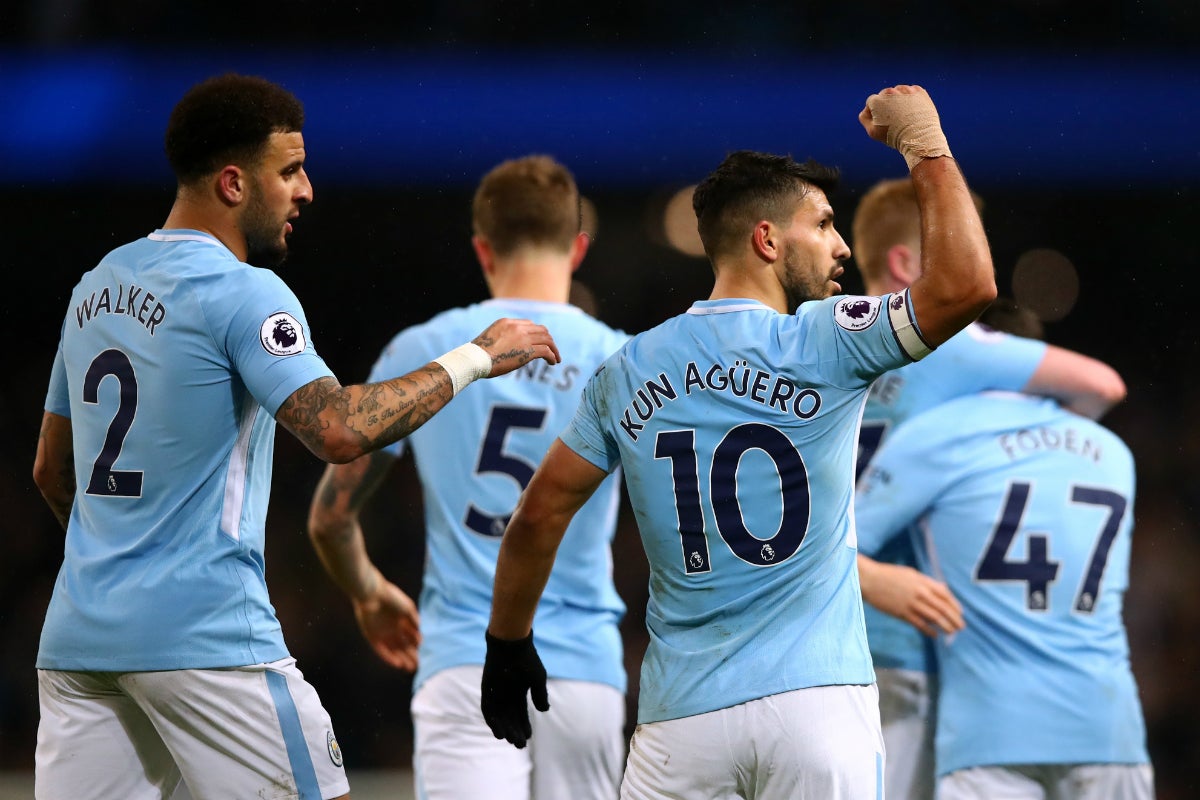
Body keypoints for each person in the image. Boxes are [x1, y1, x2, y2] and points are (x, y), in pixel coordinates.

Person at [30, 73, 559, 800]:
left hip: (79, 642)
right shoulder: (241, 291)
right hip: (206, 635)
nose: (306, 190)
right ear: (231, 183)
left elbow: (50, 471)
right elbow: (338, 429)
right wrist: (477, 356)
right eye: (289, 171)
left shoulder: (96, 287)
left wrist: (114, 571)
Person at [482, 83, 997, 798]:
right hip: (818, 708)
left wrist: (507, 643)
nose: (842, 246)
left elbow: (537, 518)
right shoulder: (829, 339)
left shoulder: (629, 368)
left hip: (681, 725)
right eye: (822, 224)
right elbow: (968, 285)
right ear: (767, 238)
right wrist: (925, 146)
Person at [306, 154, 632, 800]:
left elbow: (329, 518)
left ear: (483, 248)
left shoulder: (422, 351)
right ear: (578, 247)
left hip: (464, 659)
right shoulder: (620, 357)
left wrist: (369, 593)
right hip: (584, 667)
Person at [849, 179, 1127, 800]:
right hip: (907, 645)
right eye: (958, 249)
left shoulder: (820, 345)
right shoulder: (950, 349)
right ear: (905, 264)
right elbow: (1101, 386)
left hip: (816, 641)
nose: (974, 269)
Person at [853, 335, 1154, 798]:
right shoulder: (1114, 452)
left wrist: (875, 578)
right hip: (1111, 731)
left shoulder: (937, 434)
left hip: (989, 733)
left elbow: (833, 546)